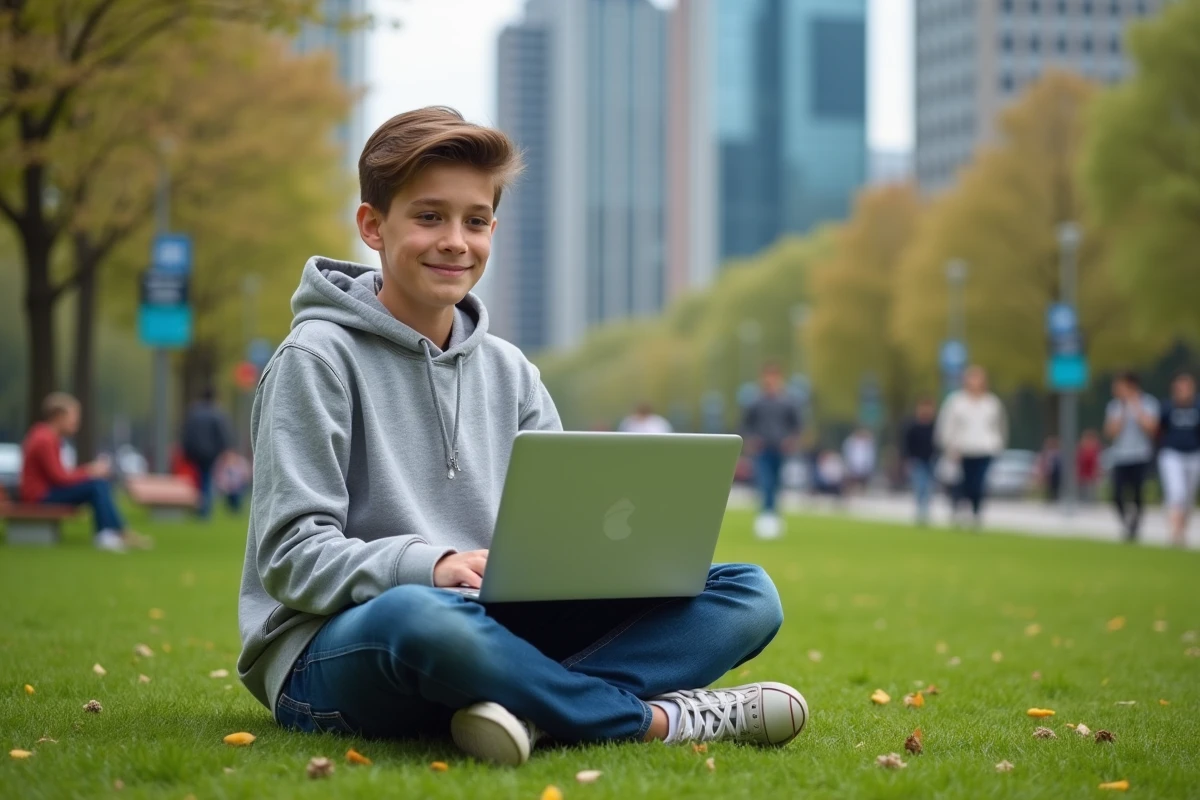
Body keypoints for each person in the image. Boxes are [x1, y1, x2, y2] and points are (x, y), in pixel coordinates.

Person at [236, 107, 805, 767]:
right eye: (429, 217)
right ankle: (650, 720)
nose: (455, 240)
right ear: (373, 226)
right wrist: (432, 565)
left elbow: (562, 532)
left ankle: (524, 710)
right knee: (419, 615)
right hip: (340, 650)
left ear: (493, 231)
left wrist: (604, 569)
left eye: (475, 221)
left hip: (493, 628)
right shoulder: (314, 358)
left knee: (748, 591)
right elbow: (290, 557)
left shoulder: (511, 371)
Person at [18, 392, 148, 552]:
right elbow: (59, 478)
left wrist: (88, 473)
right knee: (97, 485)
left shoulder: (46, 436)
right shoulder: (45, 439)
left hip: (44, 493)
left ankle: (117, 532)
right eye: (73, 416)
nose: (77, 421)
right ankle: (108, 534)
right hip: (40, 497)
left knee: (98, 485)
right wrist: (90, 471)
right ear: (59, 416)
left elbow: (58, 476)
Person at [935, 365, 1008, 528]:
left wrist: (998, 445)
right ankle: (959, 509)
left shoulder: (991, 403)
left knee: (979, 483)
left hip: (985, 449)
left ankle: (976, 512)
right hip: (963, 449)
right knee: (963, 482)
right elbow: (947, 425)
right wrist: (948, 445)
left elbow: (999, 426)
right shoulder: (956, 402)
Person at [741, 362, 802, 539]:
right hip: (762, 449)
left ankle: (773, 516)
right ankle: (766, 517)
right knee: (765, 482)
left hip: (780, 449)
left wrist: (791, 441)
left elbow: (796, 425)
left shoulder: (788, 402)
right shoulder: (755, 402)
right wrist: (752, 440)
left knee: (776, 483)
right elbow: (746, 424)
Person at [1103, 371, 1158, 541]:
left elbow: (1151, 428)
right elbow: (1110, 432)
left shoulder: (1148, 403)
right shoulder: (1114, 406)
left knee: (1137, 493)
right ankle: (1126, 521)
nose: (1115, 389)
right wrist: (1123, 412)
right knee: (1117, 494)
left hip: (1140, 455)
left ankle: (1135, 526)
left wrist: (1135, 406)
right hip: (1120, 455)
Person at [1157, 371, 1200, 547]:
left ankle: (1182, 530)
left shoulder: (1198, 407)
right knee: (1177, 492)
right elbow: (1159, 429)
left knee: (1188, 497)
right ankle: (1175, 533)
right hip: (1172, 453)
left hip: (1194, 454)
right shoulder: (1168, 407)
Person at [181, 387, 233, 519]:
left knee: (199, 478)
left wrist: (186, 450)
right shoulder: (216, 413)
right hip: (211, 452)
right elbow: (222, 434)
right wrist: (225, 449)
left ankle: (198, 506)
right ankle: (205, 509)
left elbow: (187, 433)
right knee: (207, 478)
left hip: (195, 452)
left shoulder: (194, 413)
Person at [902, 398, 938, 525]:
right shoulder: (913, 426)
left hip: (931, 460)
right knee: (920, 485)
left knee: (929, 487)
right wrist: (907, 458)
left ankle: (925, 510)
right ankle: (921, 510)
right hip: (917, 460)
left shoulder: (935, 426)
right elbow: (906, 444)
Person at [841, 428, 876, 494]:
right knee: (852, 480)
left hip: (863, 465)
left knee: (863, 480)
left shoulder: (867, 443)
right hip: (853, 464)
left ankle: (861, 492)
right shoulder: (850, 442)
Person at [1077, 429, 1102, 503]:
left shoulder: (1095, 448)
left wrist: (1097, 472)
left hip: (1091, 474)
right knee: (1083, 492)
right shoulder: (1081, 448)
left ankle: (1091, 502)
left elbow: (1096, 462)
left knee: (1091, 492)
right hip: (1083, 474)